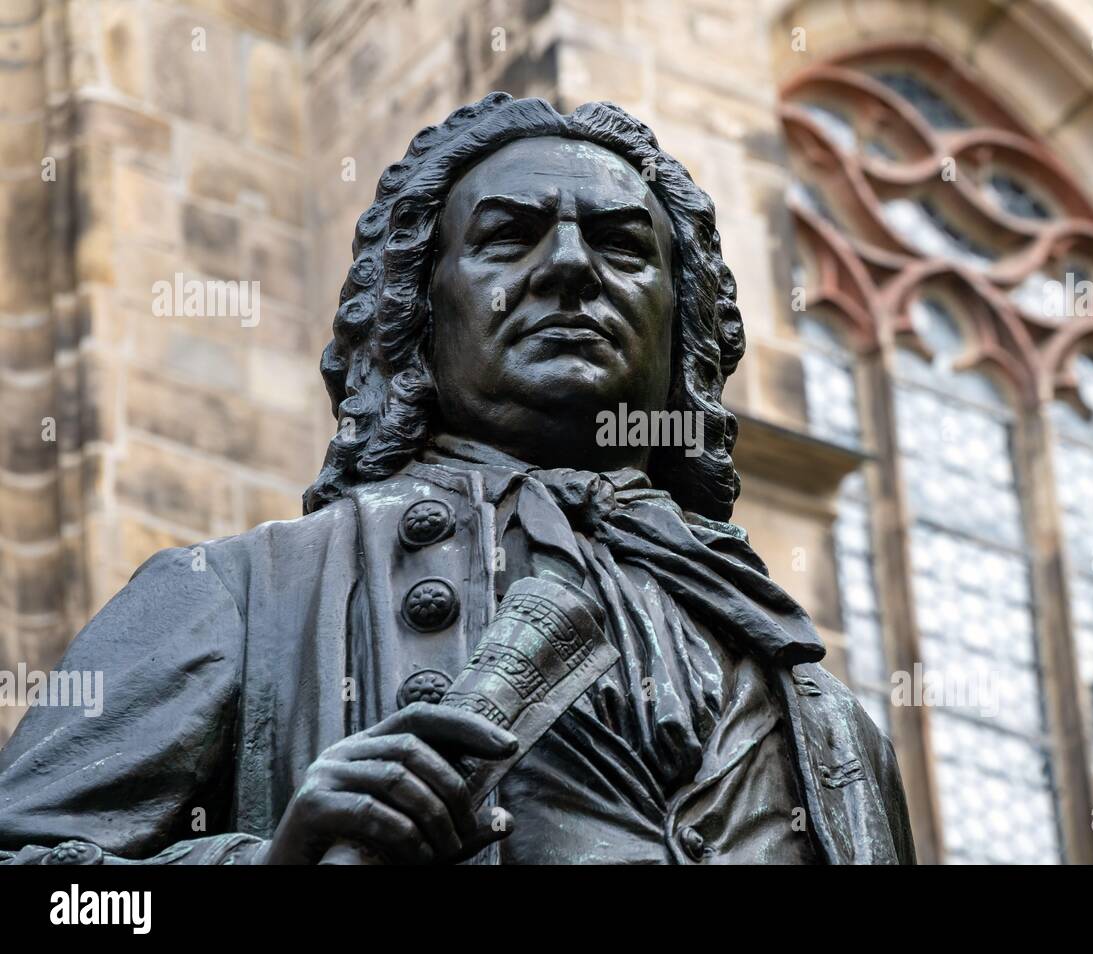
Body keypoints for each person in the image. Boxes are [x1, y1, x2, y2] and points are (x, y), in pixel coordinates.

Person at [0, 93, 914, 865]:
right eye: (508, 237)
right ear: (416, 308)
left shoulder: (830, 728)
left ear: (686, 325)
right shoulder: (246, 596)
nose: (567, 266)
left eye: (623, 247)